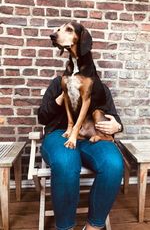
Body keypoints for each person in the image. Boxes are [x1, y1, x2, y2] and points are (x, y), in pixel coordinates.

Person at [38, 75, 124, 230]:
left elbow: (114, 119)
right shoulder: (59, 83)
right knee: (66, 161)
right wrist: (63, 96)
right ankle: (65, 227)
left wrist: (117, 127)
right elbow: (42, 117)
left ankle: (94, 226)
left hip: (91, 136)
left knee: (113, 163)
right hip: (60, 133)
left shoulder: (100, 89)